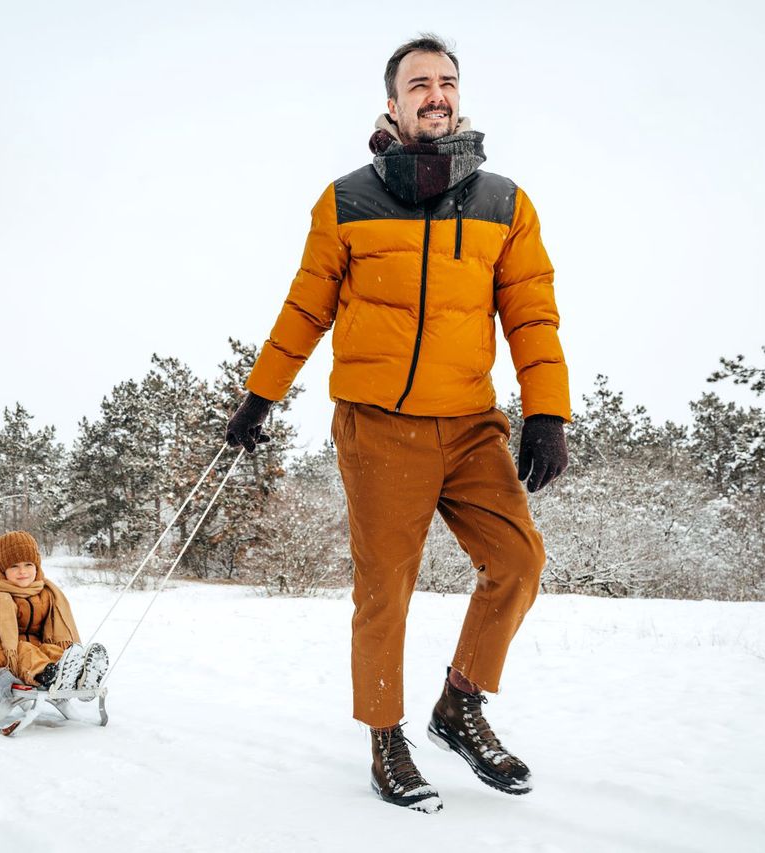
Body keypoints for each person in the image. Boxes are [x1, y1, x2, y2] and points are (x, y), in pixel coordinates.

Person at [225, 34, 571, 813]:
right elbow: (305, 308)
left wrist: (546, 409)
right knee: (386, 587)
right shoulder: (347, 198)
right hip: (380, 425)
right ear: (392, 103)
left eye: (447, 81)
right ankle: (385, 734)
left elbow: (533, 313)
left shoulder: (503, 202)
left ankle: (460, 702)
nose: (436, 92)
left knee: (518, 558)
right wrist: (260, 396)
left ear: (460, 96)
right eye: (419, 83)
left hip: (472, 422)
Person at [0, 530, 107, 698]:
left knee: (50, 649)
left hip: (34, 652)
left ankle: (79, 673)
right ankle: (49, 675)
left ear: (37, 565)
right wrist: (0, 670)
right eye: (14, 566)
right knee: (25, 648)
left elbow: (50, 634)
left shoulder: (46, 592)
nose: (22, 571)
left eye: (28, 565)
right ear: (2, 569)